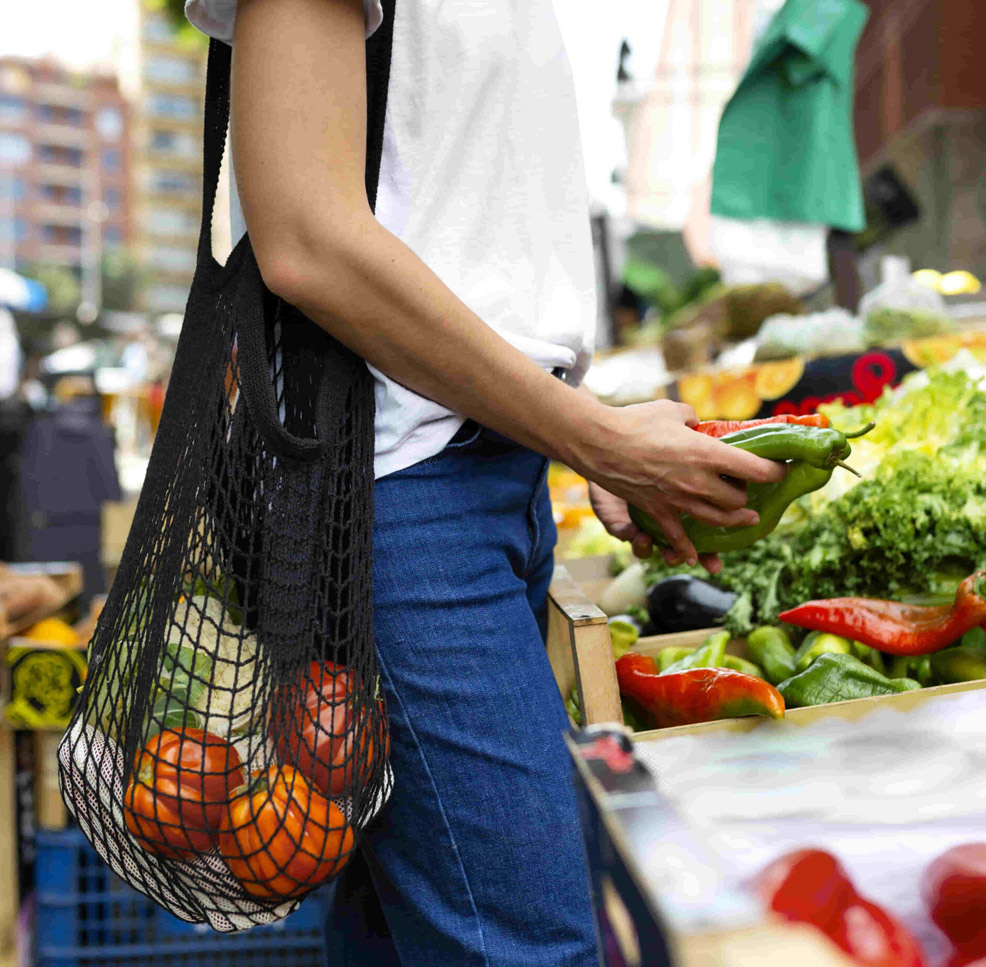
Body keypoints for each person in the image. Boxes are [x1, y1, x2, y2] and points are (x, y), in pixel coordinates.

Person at [185, 2, 785, 965]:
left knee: (419, 932)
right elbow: (306, 236)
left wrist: (584, 416)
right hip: (395, 498)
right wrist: (595, 439)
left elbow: (465, 240)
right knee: (531, 942)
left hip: (468, 479)